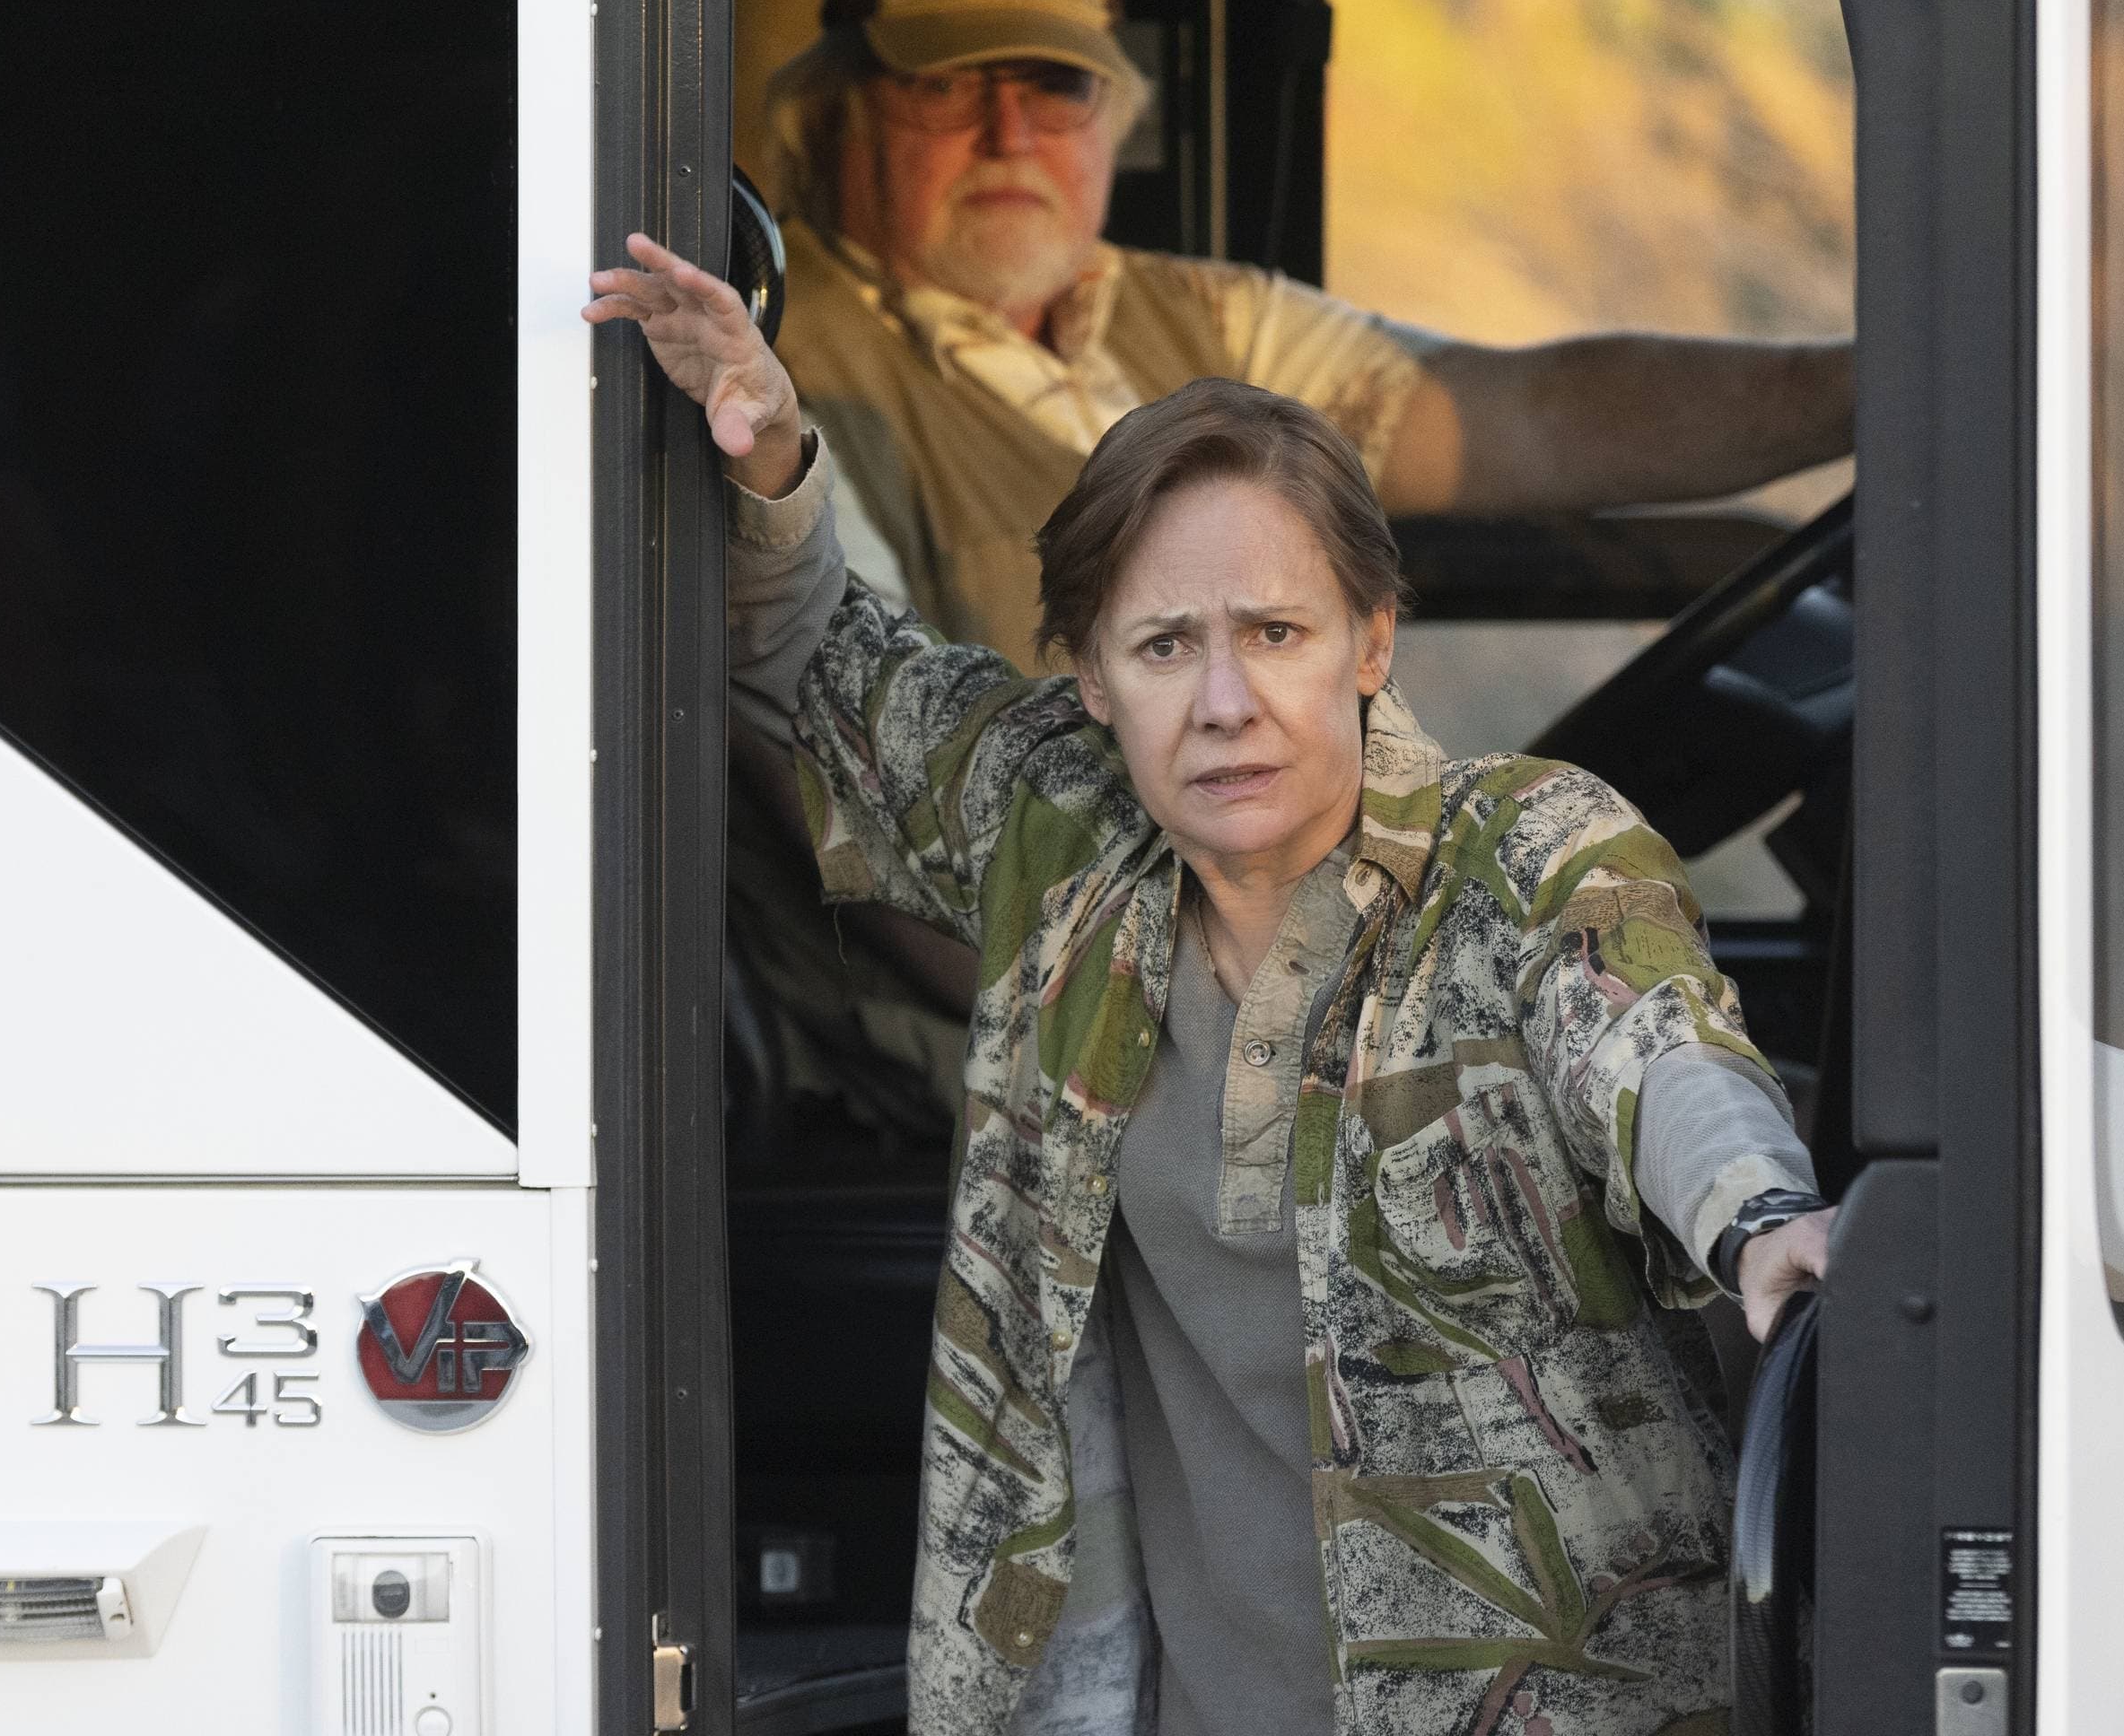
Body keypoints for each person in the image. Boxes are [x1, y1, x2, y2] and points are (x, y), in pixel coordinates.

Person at [591, 231, 1834, 1736]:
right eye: (1168, 646)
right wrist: (773, 446)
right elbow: (821, 658)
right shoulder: (1062, 834)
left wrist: (1761, 1217)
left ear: (1372, 642)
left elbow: (1651, 1048)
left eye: (1277, 634)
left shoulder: (1524, 850)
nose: (1228, 702)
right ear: (1092, 678)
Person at [733, 0, 1857, 1145]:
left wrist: (1879, 389)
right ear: (837, 111)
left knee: (1769, 1122)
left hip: (1282, 1004)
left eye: (1054, 85)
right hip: (1051, 1097)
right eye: (944, 85)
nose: (1010, 134)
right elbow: (900, 852)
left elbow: (1535, 415)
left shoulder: (1185, 318)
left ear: (1113, 112)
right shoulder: (791, 383)